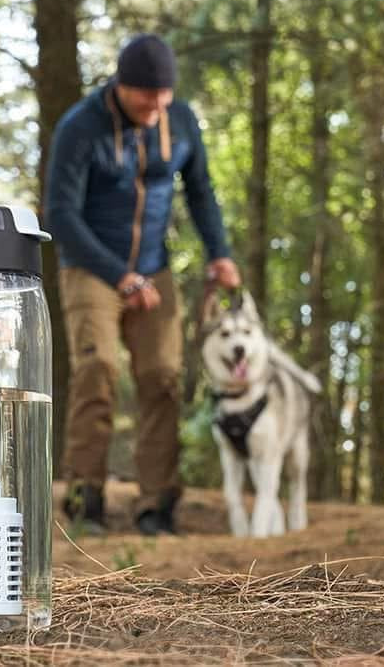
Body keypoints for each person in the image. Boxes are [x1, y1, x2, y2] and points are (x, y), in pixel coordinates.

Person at [44, 33, 241, 536]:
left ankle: (157, 505)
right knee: (99, 370)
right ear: (120, 86)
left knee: (163, 377)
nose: (155, 106)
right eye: (144, 96)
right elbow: (61, 215)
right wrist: (120, 277)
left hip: (154, 269)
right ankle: (86, 499)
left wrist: (219, 253)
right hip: (92, 267)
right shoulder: (80, 127)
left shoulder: (180, 121)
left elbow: (201, 192)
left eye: (163, 96)